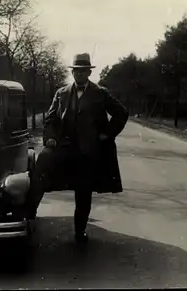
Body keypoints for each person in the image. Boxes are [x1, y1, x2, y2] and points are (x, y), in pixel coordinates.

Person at [27, 52, 129, 245]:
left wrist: (107, 134)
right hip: (64, 147)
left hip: (88, 151)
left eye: (83, 71)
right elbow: (50, 120)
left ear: (89, 72)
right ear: (72, 73)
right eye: (76, 71)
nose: (79, 75)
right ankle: (29, 214)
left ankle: (80, 230)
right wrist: (49, 138)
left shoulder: (100, 93)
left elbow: (121, 113)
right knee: (42, 165)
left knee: (84, 190)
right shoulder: (62, 93)